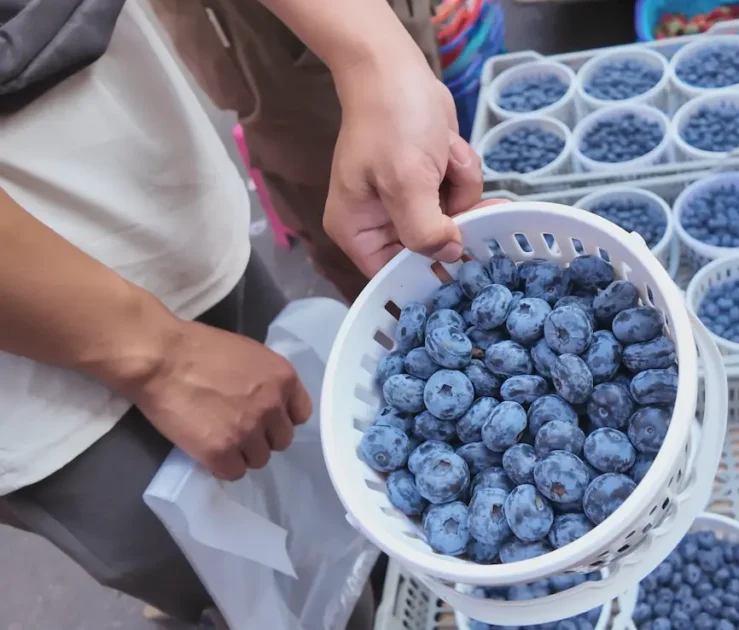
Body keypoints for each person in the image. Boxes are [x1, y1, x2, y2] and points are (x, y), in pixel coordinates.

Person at [0, 0, 484, 627]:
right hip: (35, 394)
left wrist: (371, 57)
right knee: (213, 569)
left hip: (162, 201)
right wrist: (155, 357)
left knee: (314, 486)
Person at [152, 0, 464, 304]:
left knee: (412, 186)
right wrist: (371, 58)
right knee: (351, 213)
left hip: (366, 32)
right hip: (274, 48)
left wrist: (377, 61)